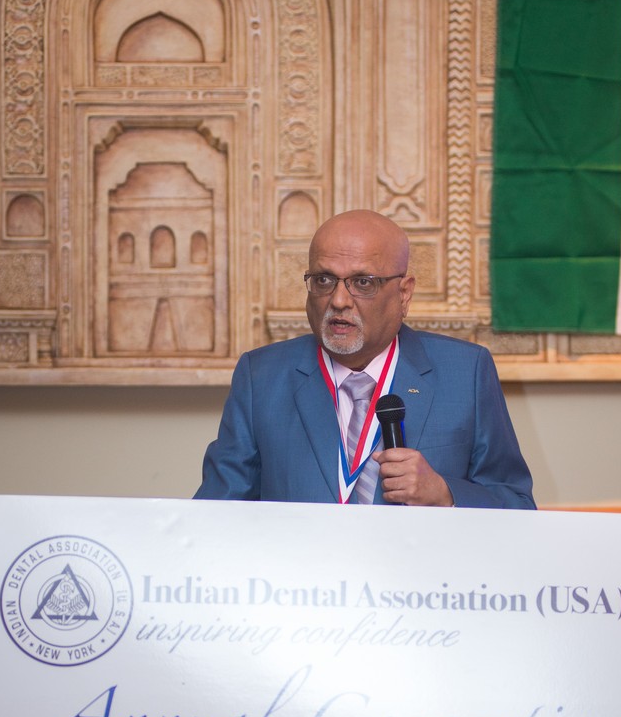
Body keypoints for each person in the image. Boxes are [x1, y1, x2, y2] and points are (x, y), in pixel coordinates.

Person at [194, 210, 534, 508]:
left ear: (404, 293)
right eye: (324, 280)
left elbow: (516, 505)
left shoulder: (466, 372)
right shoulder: (262, 376)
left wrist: (446, 494)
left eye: (363, 282)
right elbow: (217, 512)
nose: (339, 300)